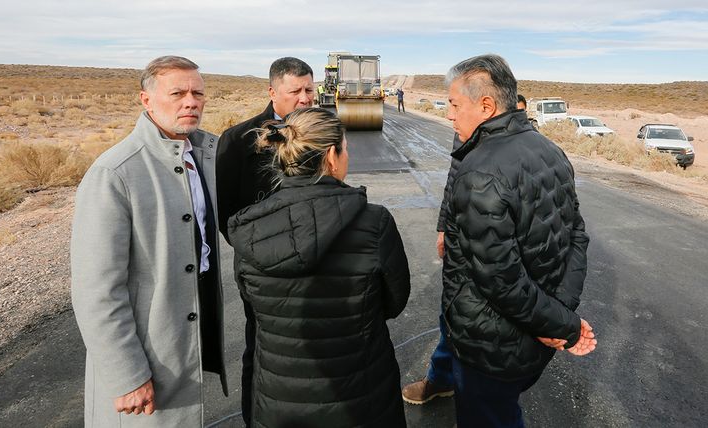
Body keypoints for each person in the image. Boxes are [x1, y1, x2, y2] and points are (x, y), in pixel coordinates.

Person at [226, 107, 411, 427]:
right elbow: (394, 301)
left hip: (278, 402)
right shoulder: (374, 223)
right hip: (361, 397)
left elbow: (251, 302)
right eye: (346, 148)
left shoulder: (250, 227)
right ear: (331, 156)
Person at [441, 54, 596, 428]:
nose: (449, 115)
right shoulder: (550, 150)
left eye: (454, 104)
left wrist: (562, 326)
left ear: (486, 105)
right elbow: (577, 236)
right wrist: (560, 316)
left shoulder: (478, 172)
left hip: (491, 347)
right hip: (533, 338)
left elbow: (500, 281)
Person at [71, 55, 227, 426]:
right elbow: (96, 290)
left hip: (185, 334)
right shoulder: (116, 173)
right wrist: (126, 374)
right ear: (146, 100)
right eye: (177, 93)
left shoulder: (206, 153)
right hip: (145, 350)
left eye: (197, 93)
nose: (191, 101)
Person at [402, 89, 536, 407]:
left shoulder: (531, 149)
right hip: (462, 244)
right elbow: (453, 179)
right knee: (453, 315)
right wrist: (443, 227)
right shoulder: (466, 131)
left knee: (489, 324)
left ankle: (485, 392)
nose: (450, 115)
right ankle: (442, 379)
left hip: (502, 253)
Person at [215, 56, 315, 426]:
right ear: (273, 92)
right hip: (263, 270)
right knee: (262, 347)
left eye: (310, 88)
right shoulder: (238, 140)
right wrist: (258, 254)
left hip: (316, 261)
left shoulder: (322, 130)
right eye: (296, 91)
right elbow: (227, 213)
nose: (305, 98)